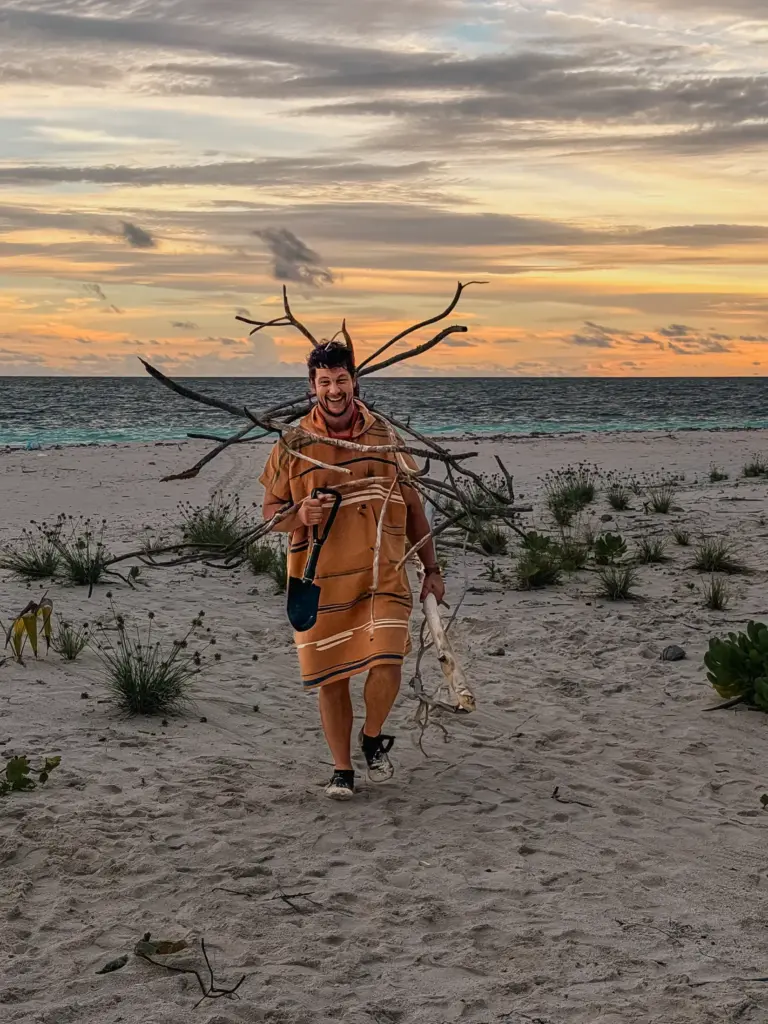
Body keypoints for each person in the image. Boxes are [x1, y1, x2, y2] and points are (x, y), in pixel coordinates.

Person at [260, 341, 445, 799]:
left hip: (384, 569)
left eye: (341, 379)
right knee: (333, 676)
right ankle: (341, 769)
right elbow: (270, 512)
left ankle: (371, 735)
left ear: (354, 381)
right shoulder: (294, 442)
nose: (335, 390)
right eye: (325, 382)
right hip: (320, 577)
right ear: (312, 388)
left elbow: (414, 505)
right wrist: (300, 516)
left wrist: (432, 568)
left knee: (387, 660)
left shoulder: (385, 435)